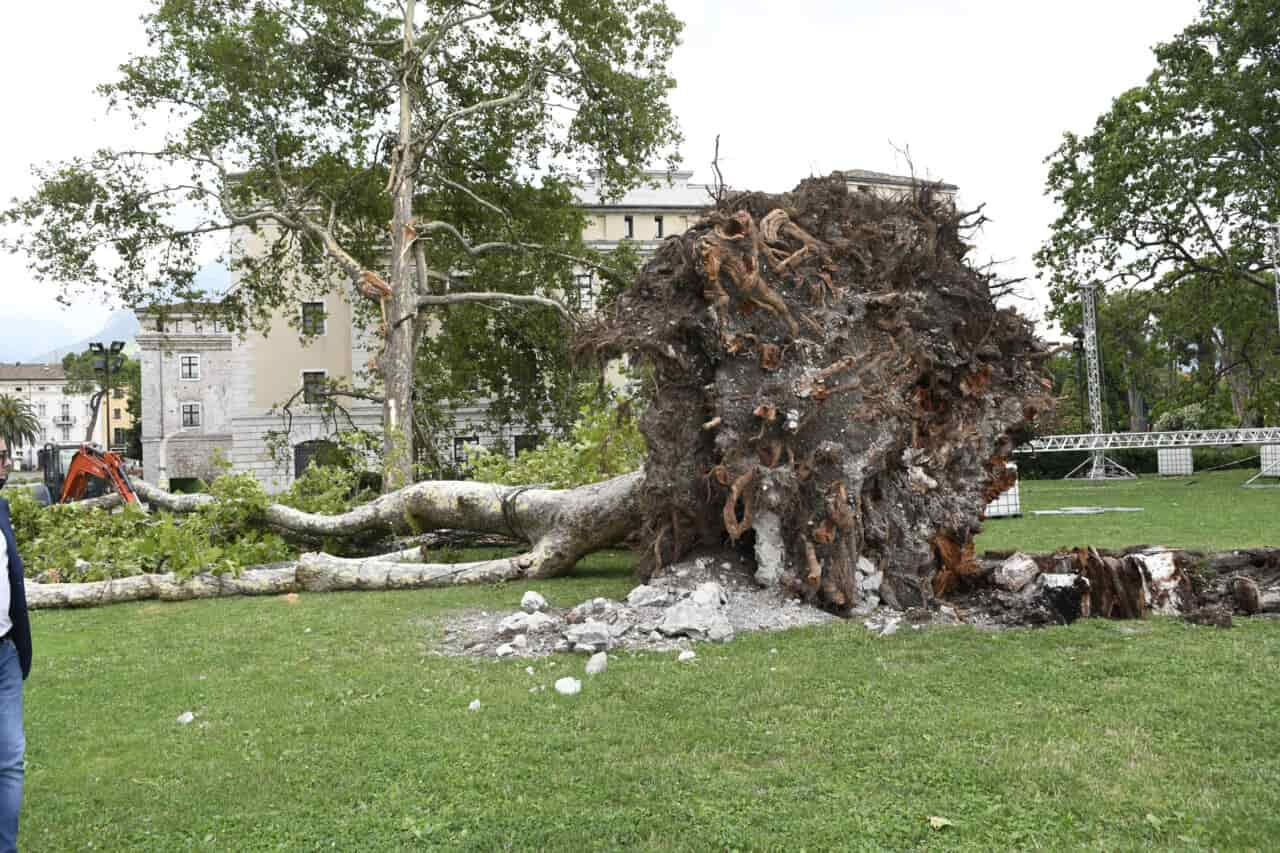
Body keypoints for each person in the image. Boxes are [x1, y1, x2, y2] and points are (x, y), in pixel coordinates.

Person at [0, 445, 32, 853]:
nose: (5, 462)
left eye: (4, 454)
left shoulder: (1, 510)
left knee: (10, 760)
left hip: (5, 653)